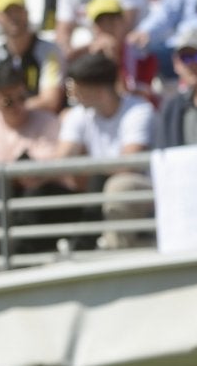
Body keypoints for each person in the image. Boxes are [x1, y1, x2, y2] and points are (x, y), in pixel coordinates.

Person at [0, 62, 79, 256]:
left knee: (33, 194)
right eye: (8, 102)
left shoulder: (48, 122)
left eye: (22, 98)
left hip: (42, 204)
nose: (19, 106)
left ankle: (22, 256)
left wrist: (2, 172)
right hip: (1, 203)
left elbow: (38, 177)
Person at [56, 52, 155, 248]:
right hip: (101, 187)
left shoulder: (140, 110)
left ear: (100, 91)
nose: (72, 94)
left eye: (77, 89)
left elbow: (130, 163)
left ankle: (109, 252)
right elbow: (61, 159)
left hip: (144, 190)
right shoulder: (78, 114)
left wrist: (86, 169)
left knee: (117, 185)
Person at [0, 0, 66, 115]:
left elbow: (51, 101)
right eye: (7, 12)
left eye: (17, 10)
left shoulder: (50, 51)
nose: (14, 17)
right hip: (1, 124)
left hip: (39, 122)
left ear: (26, 12)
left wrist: (6, 106)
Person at [84, 0, 161, 104]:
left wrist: (113, 59)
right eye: (101, 23)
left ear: (123, 22)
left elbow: (136, 100)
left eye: (112, 20)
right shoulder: (88, 59)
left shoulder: (142, 55)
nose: (108, 27)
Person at [54, 0, 150, 62]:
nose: (102, 25)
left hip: (130, 49)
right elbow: (63, 30)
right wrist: (70, 52)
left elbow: (125, 26)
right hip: (90, 50)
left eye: (109, 20)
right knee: (80, 37)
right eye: (99, 21)